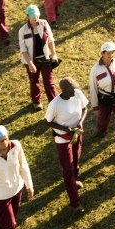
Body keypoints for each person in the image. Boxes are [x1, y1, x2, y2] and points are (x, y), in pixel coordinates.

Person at [44, 78, 88, 210]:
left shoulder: (77, 94)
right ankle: (75, 202)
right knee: (68, 168)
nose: (75, 90)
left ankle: (74, 180)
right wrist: (64, 129)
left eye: (75, 87)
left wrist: (81, 122)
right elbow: (47, 121)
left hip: (76, 134)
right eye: (72, 89)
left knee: (76, 160)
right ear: (64, 90)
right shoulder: (55, 104)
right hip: (63, 139)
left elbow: (84, 108)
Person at [88, 42, 115, 156]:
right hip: (105, 99)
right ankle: (101, 131)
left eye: (112, 52)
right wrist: (95, 107)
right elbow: (93, 89)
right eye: (108, 53)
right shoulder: (95, 69)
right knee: (103, 119)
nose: (111, 55)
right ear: (102, 54)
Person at [18, 5, 58, 108]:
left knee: (49, 82)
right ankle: (36, 102)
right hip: (31, 61)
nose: (35, 18)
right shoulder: (22, 30)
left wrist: (53, 54)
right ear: (28, 16)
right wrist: (30, 64)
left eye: (36, 16)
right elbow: (23, 50)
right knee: (34, 81)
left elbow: (50, 40)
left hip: (45, 58)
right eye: (32, 16)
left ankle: (54, 104)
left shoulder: (44, 23)